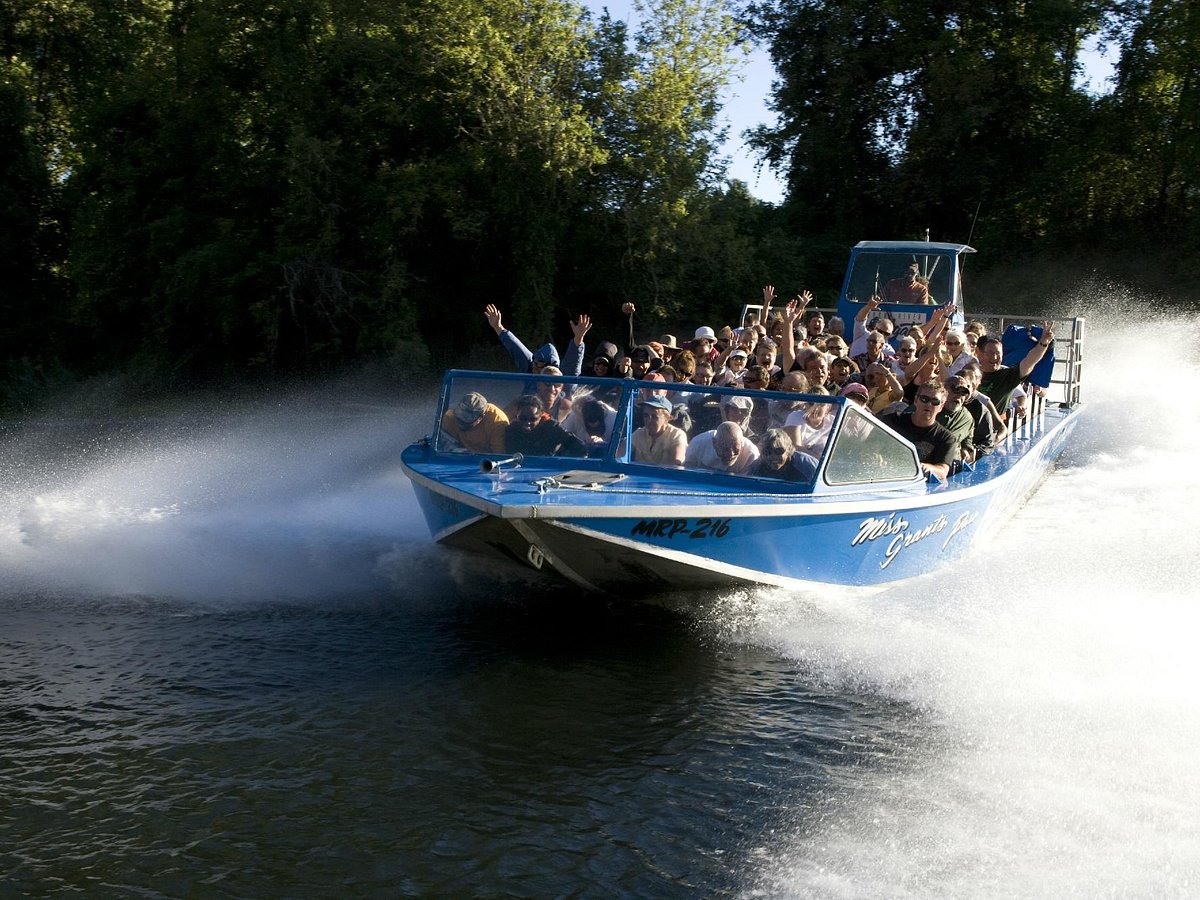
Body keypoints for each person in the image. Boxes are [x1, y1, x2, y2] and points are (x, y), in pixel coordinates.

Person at [878, 382, 956, 480]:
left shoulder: (946, 438)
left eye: (935, 402)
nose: (928, 404)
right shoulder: (892, 421)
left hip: (916, 486)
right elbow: (868, 446)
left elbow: (943, 471)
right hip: (883, 478)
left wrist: (923, 467)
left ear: (941, 406)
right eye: (924, 399)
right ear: (915, 400)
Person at [484, 303, 589, 376]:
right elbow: (516, 348)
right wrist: (498, 327)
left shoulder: (563, 380)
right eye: (534, 363)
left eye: (537, 365)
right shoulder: (531, 371)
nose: (533, 367)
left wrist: (579, 337)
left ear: (550, 367)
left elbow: (573, 361)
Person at [976, 322, 1055, 414]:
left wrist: (1043, 342)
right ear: (980, 353)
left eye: (998, 353)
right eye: (990, 353)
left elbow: (1030, 361)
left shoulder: (1008, 375)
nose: (994, 357)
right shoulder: (969, 373)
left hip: (993, 423)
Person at [504, 394, 586, 457]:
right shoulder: (511, 430)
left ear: (540, 417)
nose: (527, 423)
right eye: (523, 418)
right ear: (517, 416)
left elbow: (581, 449)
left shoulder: (552, 428)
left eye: (533, 419)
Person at [440, 392, 509, 453]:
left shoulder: (497, 423)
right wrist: (454, 449)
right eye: (459, 418)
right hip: (459, 457)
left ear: (481, 417)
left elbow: (499, 456)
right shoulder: (450, 416)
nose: (460, 423)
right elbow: (443, 442)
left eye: (465, 422)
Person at [631, 394, 688, 465]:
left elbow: (676, 463)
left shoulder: (677, 435)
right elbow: (618, 454)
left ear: (667, 418)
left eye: (654, 416)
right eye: (646, 415)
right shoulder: (639, 433)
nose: (649, 420)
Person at [684, 421, 760, 474]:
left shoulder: (751, 454)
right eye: (725, 448)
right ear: (714, 443)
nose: (731, 453)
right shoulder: (698, 444)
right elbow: (687, 475)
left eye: (735, 447)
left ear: (741, 443)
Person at [751, 428, 818, 482]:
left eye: (779, 451)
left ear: (789, 449)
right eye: (767, 452)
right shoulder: (757, 467)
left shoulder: (806, 466)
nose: (773, 456)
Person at [784, 386, 835, 456]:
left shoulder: (834, 422)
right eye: (811, 402)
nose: (815, 408)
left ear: (828, 407)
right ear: (805, 404)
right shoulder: (795, 417)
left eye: (821, 403)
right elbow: (795, 448)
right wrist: (819, 460)